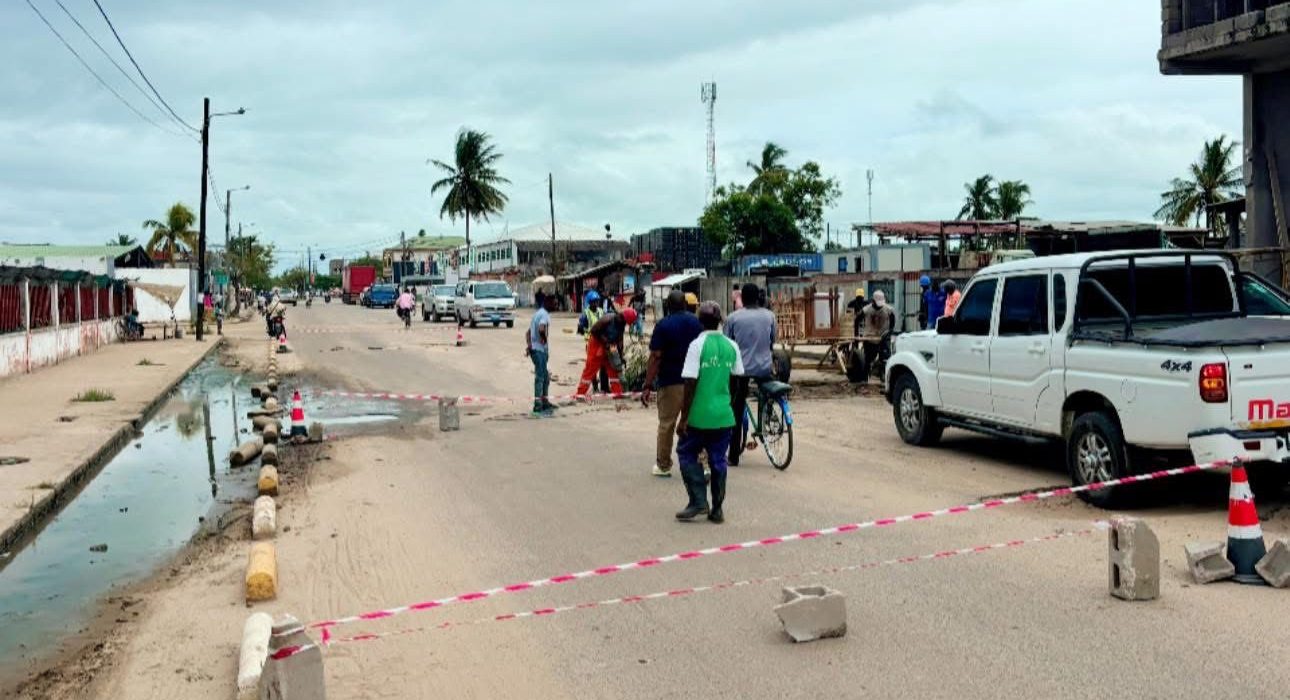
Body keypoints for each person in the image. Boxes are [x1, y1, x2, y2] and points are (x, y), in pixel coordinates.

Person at [675, 302, 744, 523]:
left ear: (699, 321)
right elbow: (737, 380)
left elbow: (690, 383)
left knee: (686, 452)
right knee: (718, 460)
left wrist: (683, 417)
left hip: (699, 415)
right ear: (720, 320)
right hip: (724, 415)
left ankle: (698, 501)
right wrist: (727, 405)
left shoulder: (697, 345)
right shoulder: (732, 346)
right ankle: (717, 509)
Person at [641, 290, 704, 478]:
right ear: (685, 304)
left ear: (668, 306)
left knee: (667, 424)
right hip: (695, 381)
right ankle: (702, 461)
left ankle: (663, 465)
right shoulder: (697, 323)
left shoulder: (663, 325)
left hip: (670, 381)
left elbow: (656, 357)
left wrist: (647, 384)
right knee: (696, 423)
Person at [723, 283, 776, 467]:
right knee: (770, 392)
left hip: (741, 370)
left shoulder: (733, 318)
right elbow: (771, 342)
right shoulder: (770, 316)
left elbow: (727, 346)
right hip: (764, 368)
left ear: (741, 299)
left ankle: (733, 456)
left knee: (736, 410)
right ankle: (770, 415)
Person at [575, 307, 636, 397]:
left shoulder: (621, 324)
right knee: (590, 369)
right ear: (622, 317)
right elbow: (593, 331)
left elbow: (620, 340)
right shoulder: (608, 319)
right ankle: (580, 394)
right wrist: (605, 341)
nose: (625, 324)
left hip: (610, 346)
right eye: (626, 322)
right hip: (596, 345)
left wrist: (620, 356)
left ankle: (617, 393)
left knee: (613, 369)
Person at [526, 294, 558, 415]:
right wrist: (544, 339)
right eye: (554, 303)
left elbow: (528, 333)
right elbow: (541, 329)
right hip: (539, 351)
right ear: (548, 302)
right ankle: (538, 406)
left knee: (545, 377)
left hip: (537, 350)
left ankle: (545, 402)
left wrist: (529, 345)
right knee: (540, 378)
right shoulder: (544, 314)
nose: (556, 305)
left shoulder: (537, 313)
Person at [859, 290, 897, 381]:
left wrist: (890, 331)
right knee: (868, 359)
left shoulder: (888, 309)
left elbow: (893, 320)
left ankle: (883, 376)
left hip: (883, 336)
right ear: (873, 301)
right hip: (870, 337)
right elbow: (857, 319)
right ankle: (864, 377)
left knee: (884, 358)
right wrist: (857, 334)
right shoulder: (866, 310)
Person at [578, 292, 608, 392]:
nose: (595, 304)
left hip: (602, 341)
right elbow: (581, 329)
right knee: (592, 366)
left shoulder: (601, 311)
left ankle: (604, 386)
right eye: (593, 302)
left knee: (603, 365)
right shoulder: (585, 314)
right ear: (589, 303)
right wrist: (581, 328)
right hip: (591, 342)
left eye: (596, 302)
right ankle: (595, 386)